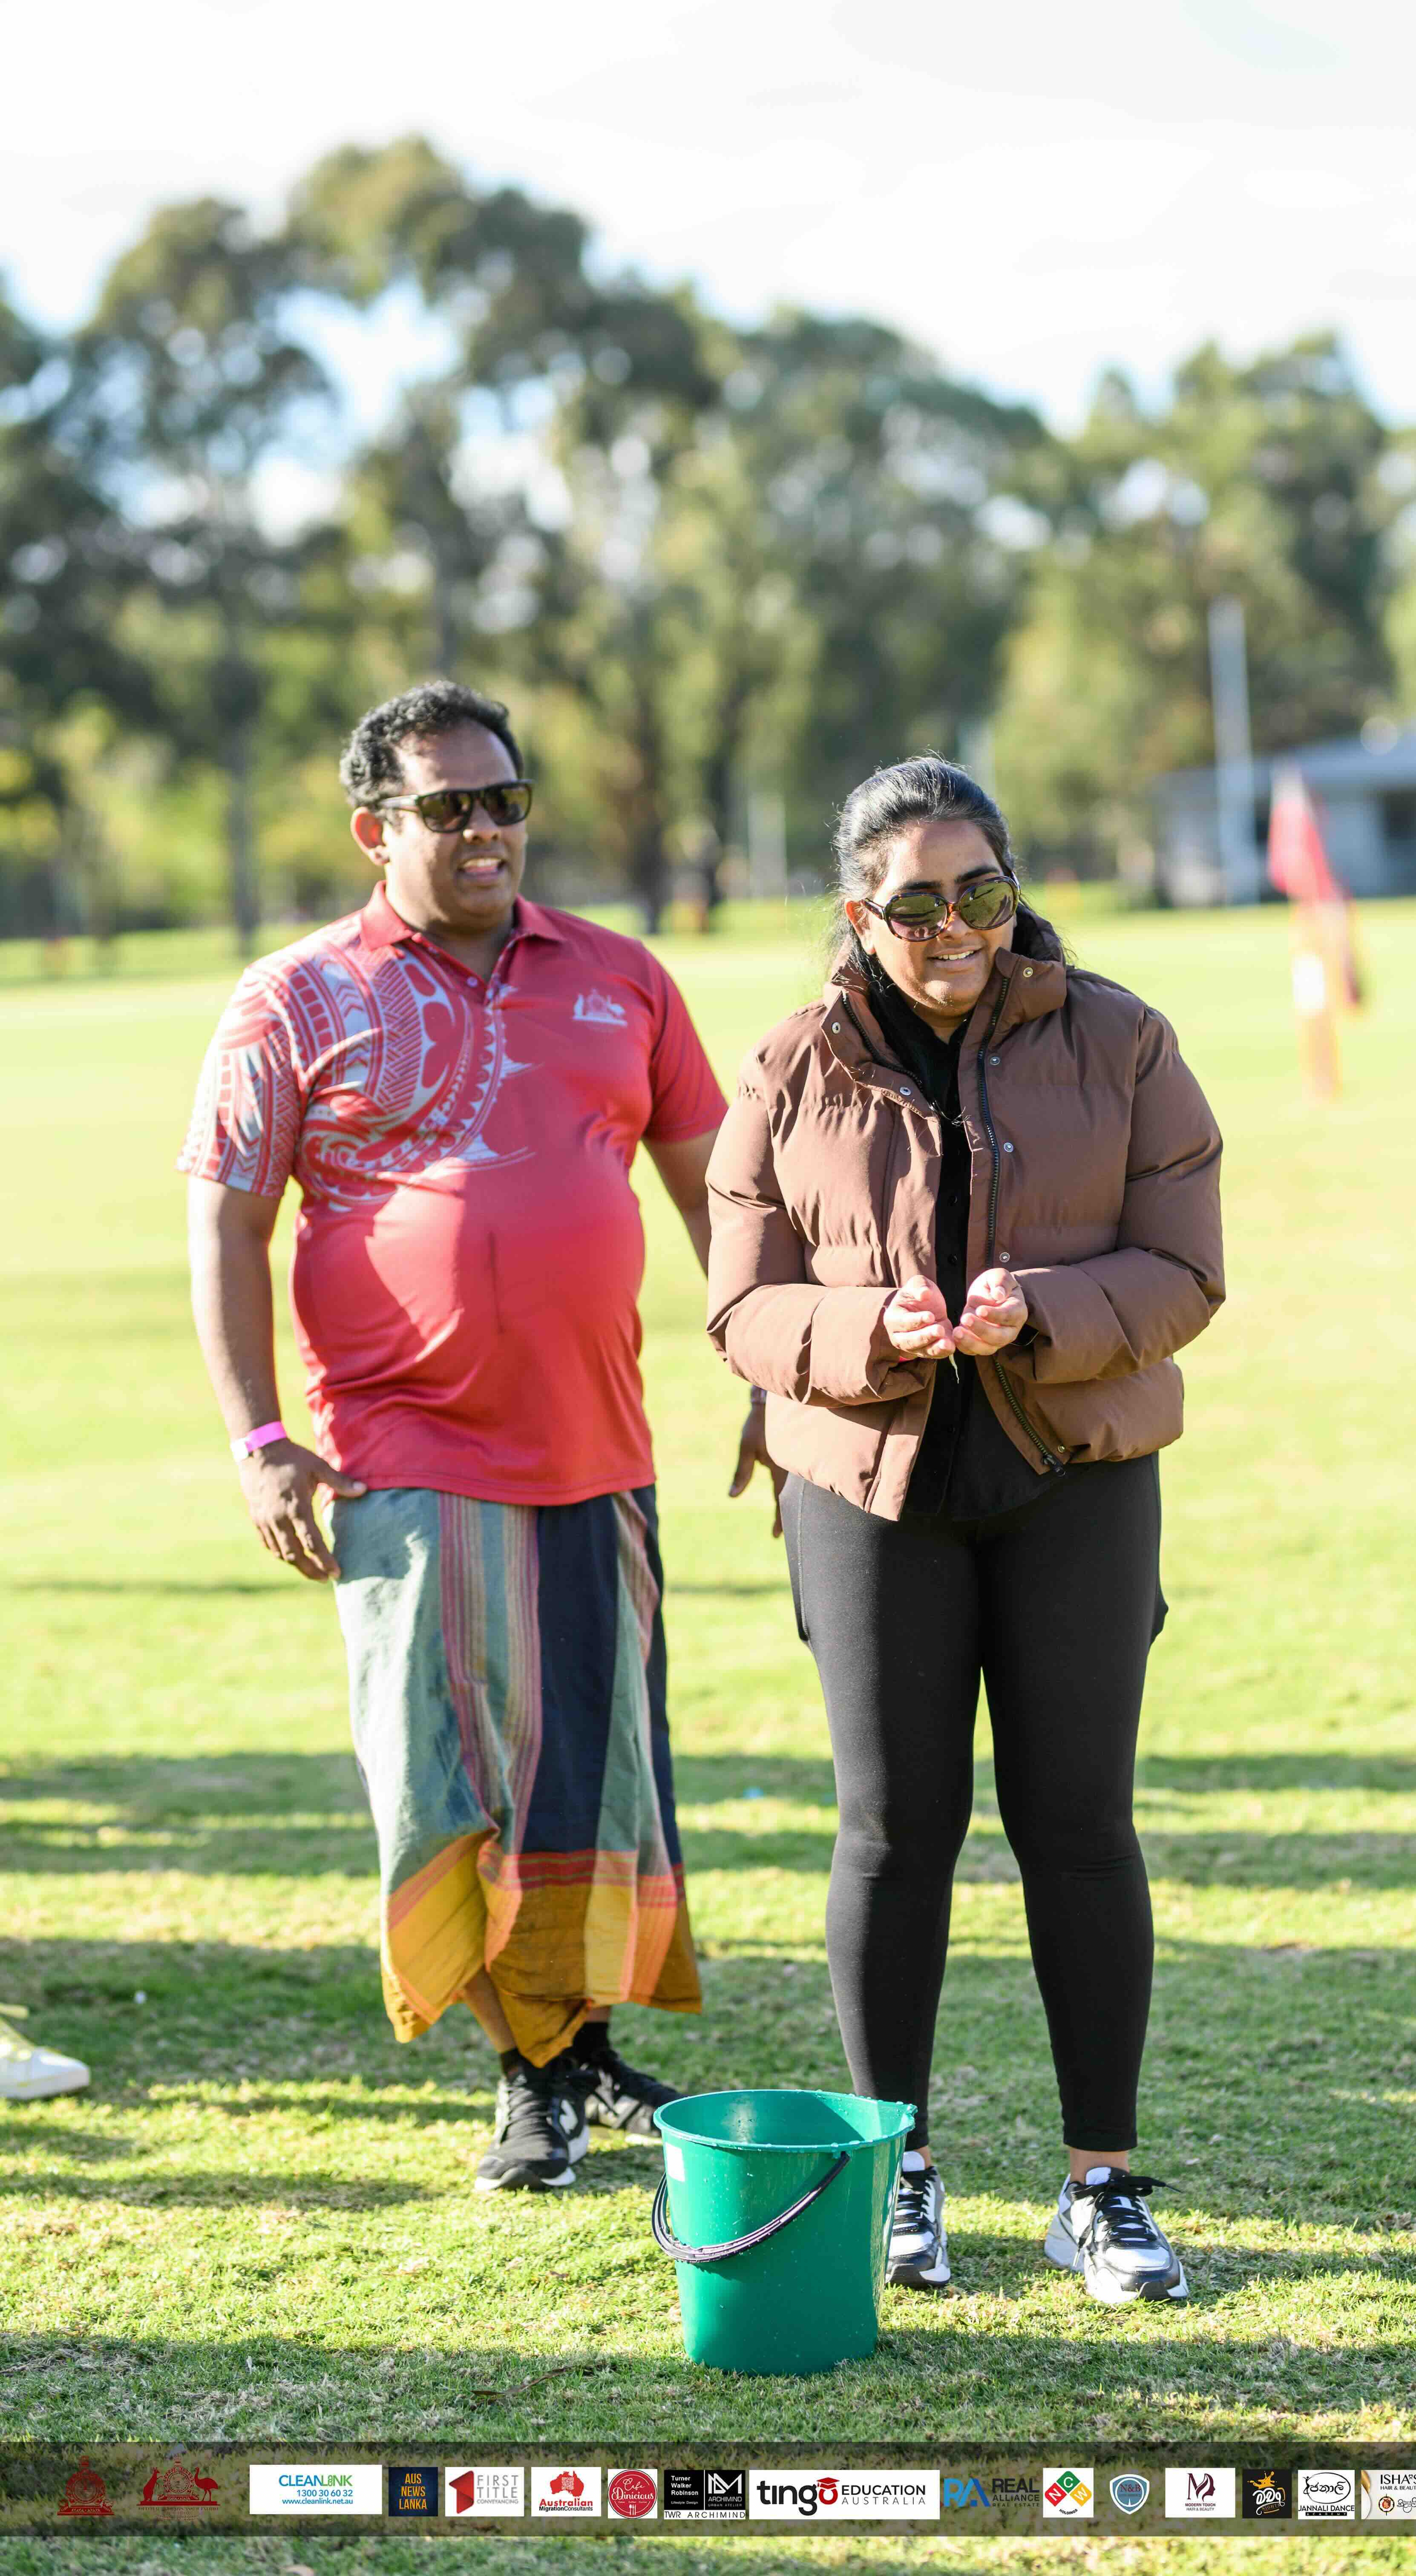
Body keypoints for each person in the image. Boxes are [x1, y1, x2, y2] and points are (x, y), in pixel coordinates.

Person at [181, 681, 772, 2188]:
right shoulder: (291, 997)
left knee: (594, 1771)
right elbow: (230, 1223)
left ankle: (576, 2053)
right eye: (449, 806)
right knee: (455, 1780)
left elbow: (715, 1193)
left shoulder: (621, 977)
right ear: (374, 828)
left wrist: (773, 1365)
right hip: (404, 1454)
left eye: (505, 800)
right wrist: (259, 1437)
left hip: (599, 1445)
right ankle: (528, 2072)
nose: (486, 828)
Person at [706, 756, 1223, 2303]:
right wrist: (870, 1327)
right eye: (918, 903)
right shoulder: (790, 1062)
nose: (957, 929)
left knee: (1080, 1823)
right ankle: (901, 2168)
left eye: (983, 891)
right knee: (890, 1830)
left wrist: (1041, 1311)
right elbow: (742, 1304)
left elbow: (1185, 1267)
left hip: (1074, 1472)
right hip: (866, 1486)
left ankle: (1100, 2185)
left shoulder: (1123, 1039)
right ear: (859, 915)